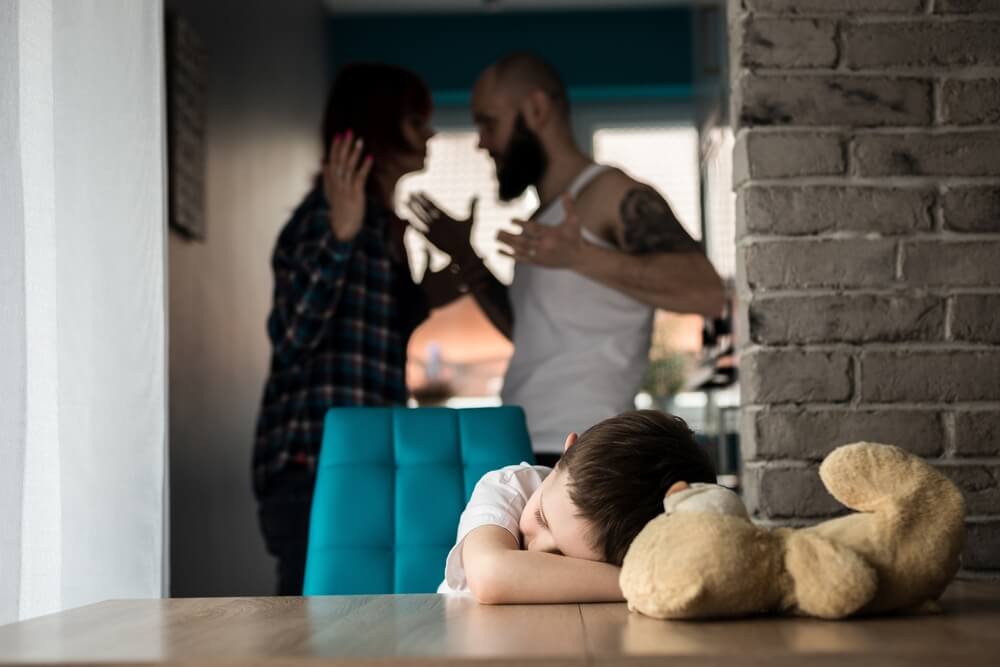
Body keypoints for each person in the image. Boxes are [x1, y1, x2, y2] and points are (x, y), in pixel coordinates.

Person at [407, 53, 726, 466]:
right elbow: (531, 332)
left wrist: (580, 256)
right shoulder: (547, 219)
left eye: (489, 123)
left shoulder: (613, 195)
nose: (481, 142)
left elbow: (707, 292)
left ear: (536, 109)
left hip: (589, 450)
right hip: (524, 443)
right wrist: (467, 259)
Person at [252, 63, 474, 595]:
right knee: (312, 627)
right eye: (417, 118)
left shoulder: (383, 226)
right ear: (381, 124)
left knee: (365, 620)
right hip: (315, 461)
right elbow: (291, 339)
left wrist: (457, 264)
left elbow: (384, 330)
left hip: (364, 455)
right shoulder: (323, 219)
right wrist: (341, 236)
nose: (431, 132)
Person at [437, 410, 745, 603]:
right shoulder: (511, 486)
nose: (538, 549)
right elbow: (491, 574)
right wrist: (650, 581)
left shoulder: (638, 543)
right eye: (542, 517)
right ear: (565, 452)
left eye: (563, 557)